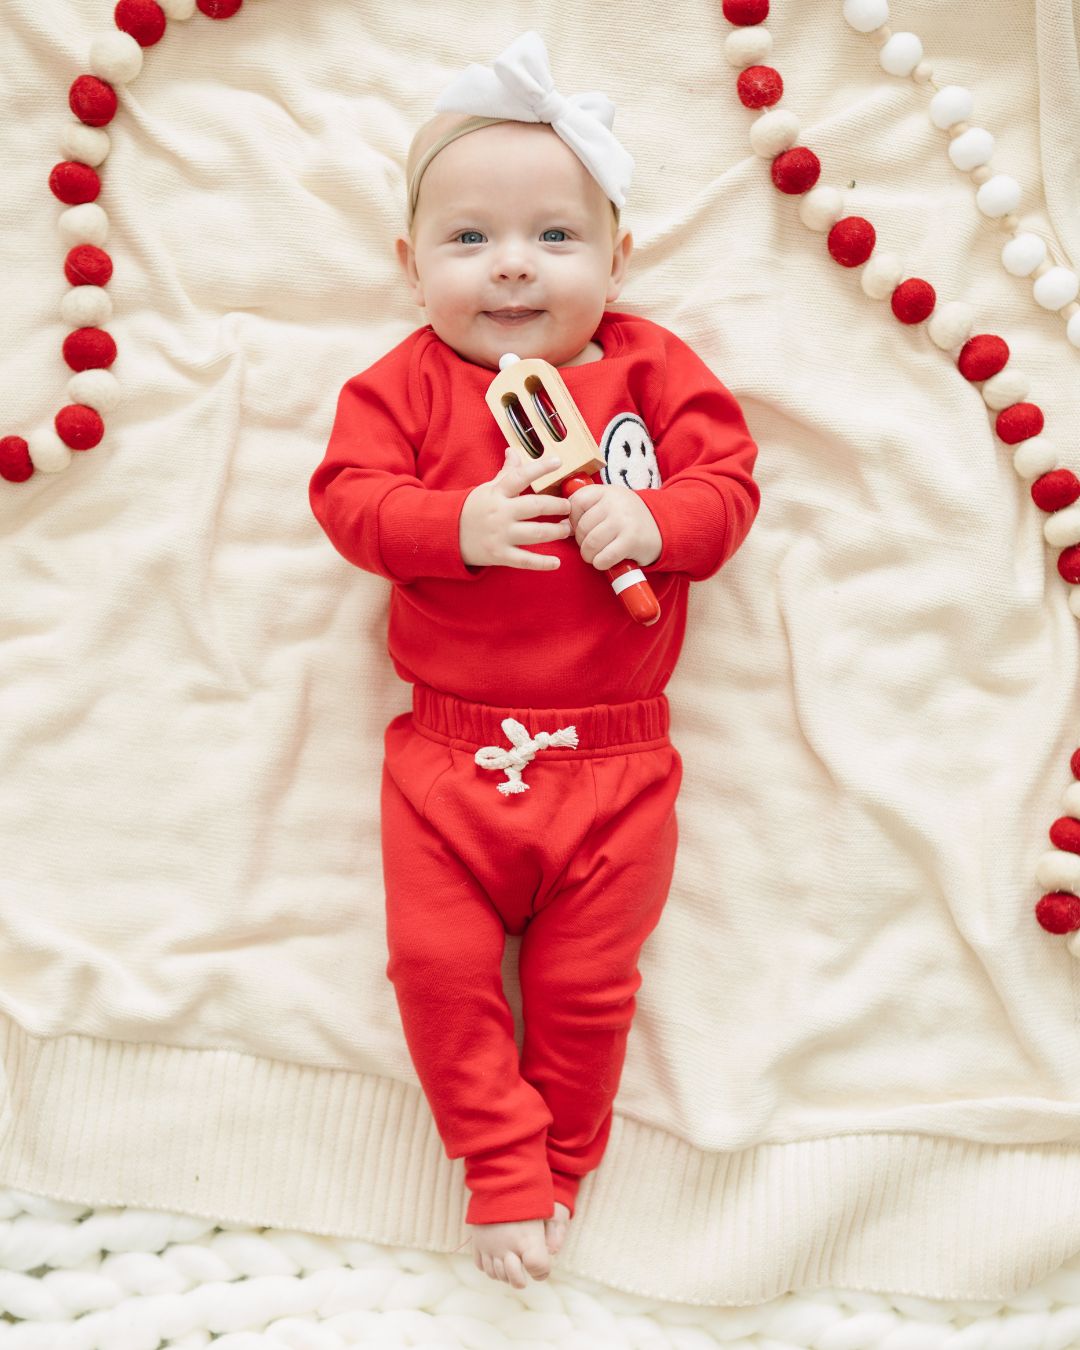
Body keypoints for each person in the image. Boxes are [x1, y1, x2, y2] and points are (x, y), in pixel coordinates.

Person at [308, 30, 761, 1291]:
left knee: (586, 984)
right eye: (469, 240)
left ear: (619, 256)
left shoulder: (647, 372)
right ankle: (497, 1167)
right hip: (450, 758)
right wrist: (454, 526)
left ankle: (557, 1168)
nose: (512, 265)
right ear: (411, 267)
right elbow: (346, 502)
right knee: (440, 970)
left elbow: (728, 489)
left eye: (556, 238)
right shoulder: (401, 390)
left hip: (616, 762)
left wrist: (654, 521)